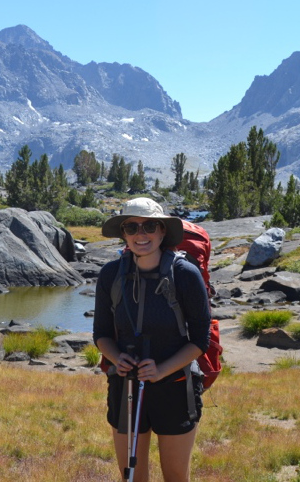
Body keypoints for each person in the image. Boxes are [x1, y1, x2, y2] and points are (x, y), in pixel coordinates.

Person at [93, 197, 211, 482]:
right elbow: (101, 335)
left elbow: (199, 340)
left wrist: (161, 370)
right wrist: (115, 357)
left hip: (176, 387)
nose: (140, 234)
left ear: (162, 231)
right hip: (125, 386)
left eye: (149, 226)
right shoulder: (111, 274)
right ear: (123, 234)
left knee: (175, 477)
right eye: (131, 227)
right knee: (131, 477)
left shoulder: (184, 275)